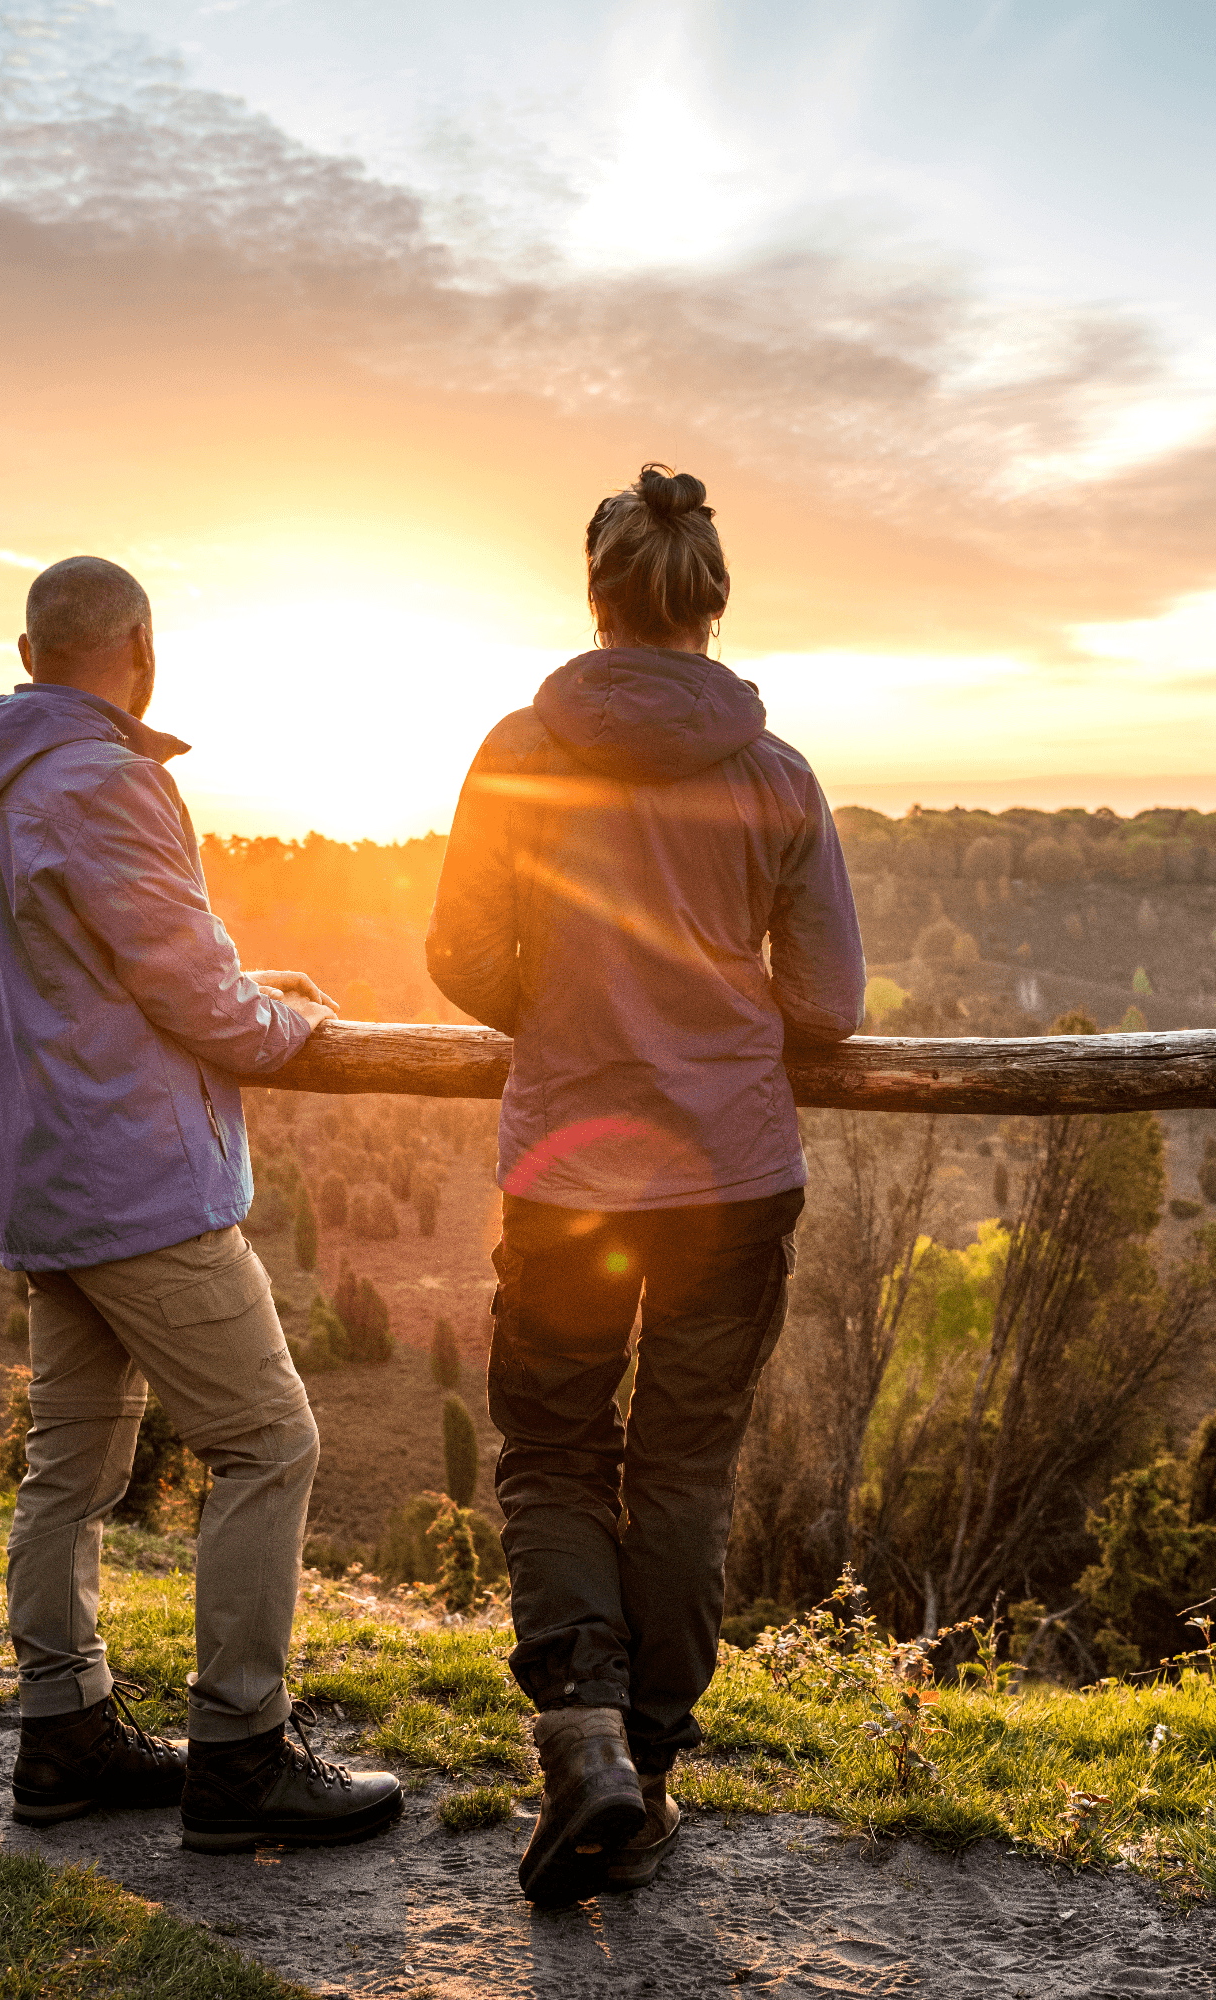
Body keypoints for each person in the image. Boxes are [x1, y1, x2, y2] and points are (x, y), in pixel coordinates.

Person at [427, 465, 865, 1906]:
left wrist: (564, 1007)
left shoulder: (516, 752)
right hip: (733, 1174)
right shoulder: (777, 774)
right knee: (681, 1468)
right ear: (712, 604)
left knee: (553, 1450)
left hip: (568, 1175)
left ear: (599, 596)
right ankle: (654, 1769)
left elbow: (461, 958)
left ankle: (586, 1746)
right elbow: (833, 1005)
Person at [0, 554, 403, 1852]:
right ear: (141, 649)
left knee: (69, 1470)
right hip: (135, 1180)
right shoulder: (106, 782)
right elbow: (195, 995)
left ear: (31, 659)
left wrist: (251, 982)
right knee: (270, 1443)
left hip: (44, 1176)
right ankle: (243, 1753)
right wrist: (292, 1027)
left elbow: (106, 963)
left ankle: (65, 1737)